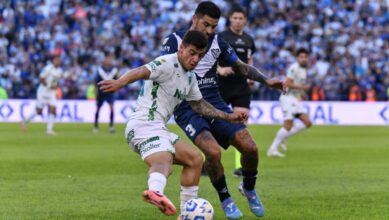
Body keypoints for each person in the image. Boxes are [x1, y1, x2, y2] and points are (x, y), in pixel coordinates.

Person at [98, 30, 247, 217]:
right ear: (182, 48)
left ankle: (185, 214)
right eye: (192, 53)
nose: (195, 59)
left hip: (158, 127)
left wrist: (227, 116)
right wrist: (120, 83)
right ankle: (156, 192)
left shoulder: (191, 77)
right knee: (164, 159)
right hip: (143, 124)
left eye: (199, 56)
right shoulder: (167, 62)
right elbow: (141, 71)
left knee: (194, 159)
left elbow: (199, 105)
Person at [161, 1, 285, 219]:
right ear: (194, 19)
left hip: (215, 101)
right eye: (206, 25)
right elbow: (161, 71)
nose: (209, 31)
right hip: (187, 108)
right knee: (212, 151)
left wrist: (266, 80)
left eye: (213, 27)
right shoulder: (175, 41)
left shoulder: (218, 42)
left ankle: (249, 188)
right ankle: (226, 198)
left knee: (250, 147)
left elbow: (240, 66)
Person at [217, 6, 256, 177]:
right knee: (212, 124)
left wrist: (251, 75)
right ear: (230, 19)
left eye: (241, 18)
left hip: (241, 86)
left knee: (241, 125)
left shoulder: (249, 40)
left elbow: (249, 59)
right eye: (235, 18)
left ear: (245, 20)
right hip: (222, 85)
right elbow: (210, 58)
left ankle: (240, 166)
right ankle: (208, 162)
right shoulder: (221, 37)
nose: (238, 21)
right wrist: (220, 69)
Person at [267, 48, 312, 157]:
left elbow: (296, 85)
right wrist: (302, 87)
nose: (304, 59)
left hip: (295, 99)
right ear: (297, 58)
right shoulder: (294, 68)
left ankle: (283, 137)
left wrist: (302, 93)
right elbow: (287, 83)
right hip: (287, 98)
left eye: (305, 57)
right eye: (301, 57)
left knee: (308, 123)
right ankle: (272, 150)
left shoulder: (304, 69)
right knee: (287, 125)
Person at [21, 55, 63, 135]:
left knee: (53, 110)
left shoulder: (60, 71)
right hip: (43, 91)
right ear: (53, 60)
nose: (58, 62)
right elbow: (41, 78)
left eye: (59, 60)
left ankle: (49, 130)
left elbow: (56, 81)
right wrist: (49, 86)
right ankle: (24, 122)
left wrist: (55, 86)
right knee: (39, 111)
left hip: (52, 93)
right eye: (57, 60)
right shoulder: (48, 68)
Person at [94, 54, 120, 133]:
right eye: (107, 59)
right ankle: (96, 126)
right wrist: (96, 91)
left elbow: (118, 80)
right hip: (101, 91)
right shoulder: (100, 69)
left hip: (110, 91)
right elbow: (96, 81)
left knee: (111, 108)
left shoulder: (114, 70)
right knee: (98, 109)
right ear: (104, 61)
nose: (109, 61)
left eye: (110, 59)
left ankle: (111, 126)